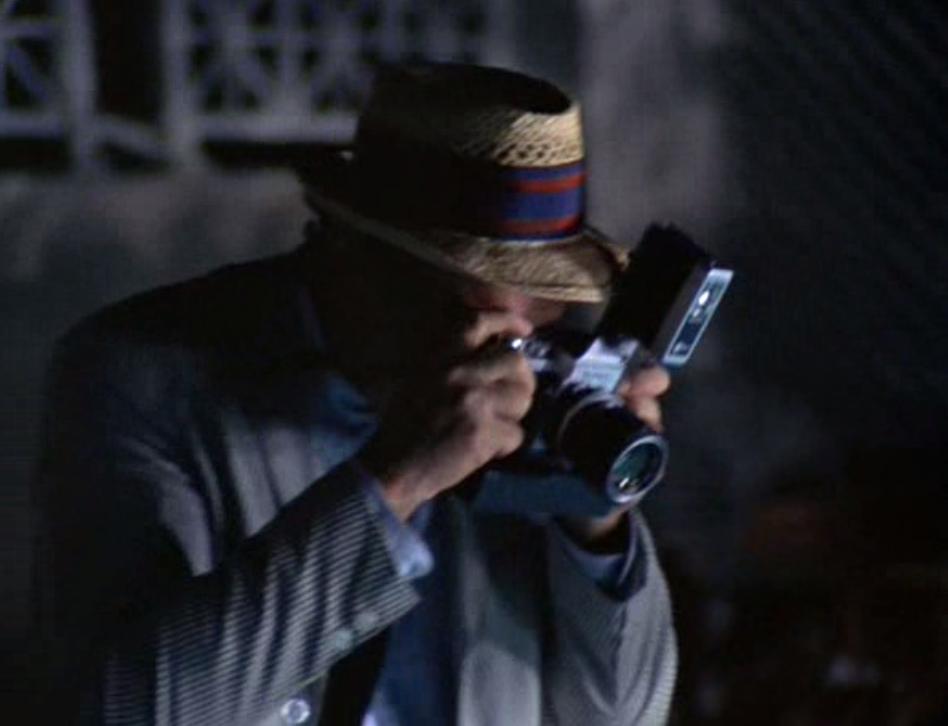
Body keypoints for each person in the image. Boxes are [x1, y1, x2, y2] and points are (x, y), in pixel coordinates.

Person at [34, 63, 677, 725]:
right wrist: (395, 480)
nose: (512, 349)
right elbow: (128, 714)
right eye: (468, 301)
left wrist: (595, 521)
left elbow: (627, 716)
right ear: (350, 244)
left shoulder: (540, 400)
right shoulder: (140, 375)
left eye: (544, 307)